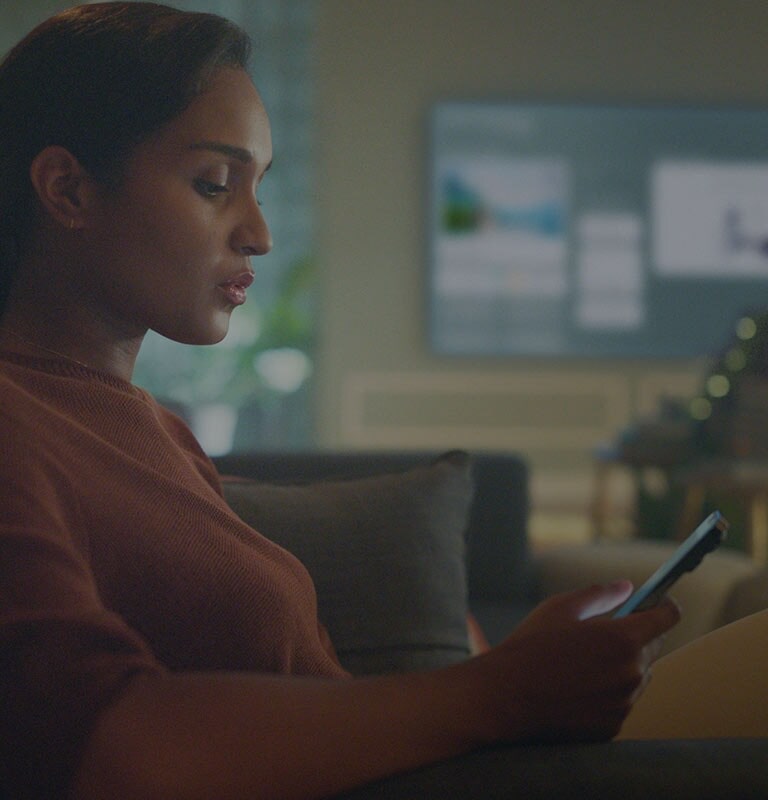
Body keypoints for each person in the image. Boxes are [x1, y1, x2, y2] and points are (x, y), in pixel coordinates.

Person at [0, 3, 679, 798]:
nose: (259, 232)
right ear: (68, 187)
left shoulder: (157, 433)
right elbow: (108, 749)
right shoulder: (19, 422)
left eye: (258, 187)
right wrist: (498, 695)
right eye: (214, 183)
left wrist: (506, 671)